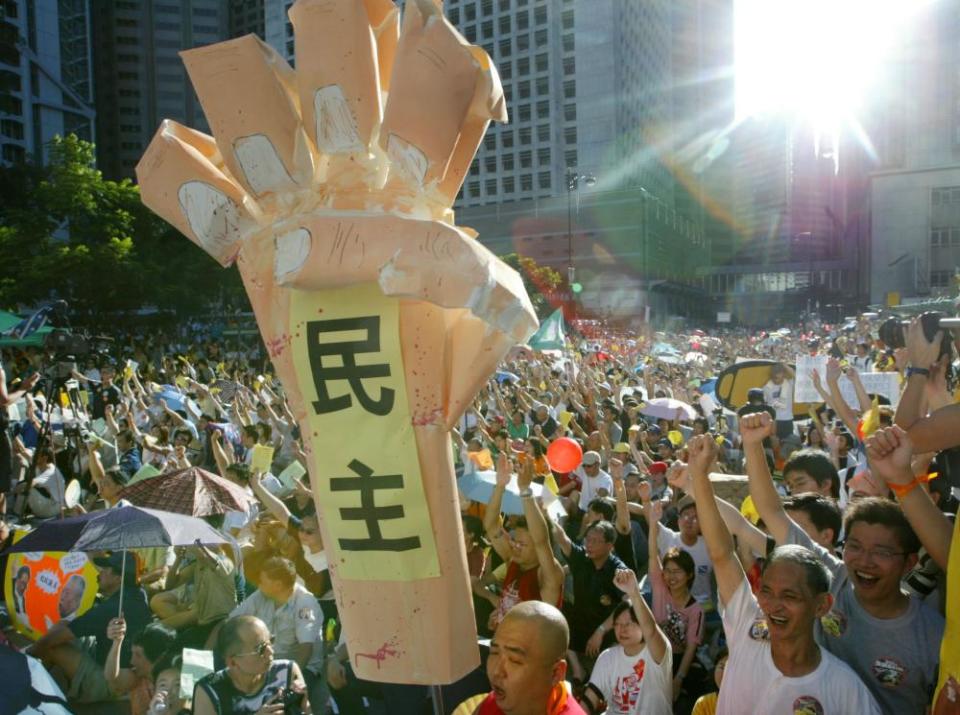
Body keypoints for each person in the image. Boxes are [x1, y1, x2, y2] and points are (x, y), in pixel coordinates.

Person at [741, 412, 942, 713]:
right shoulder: (834, 578)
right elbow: (771, 510)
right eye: (855, 546)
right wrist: (753, 444)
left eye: (882, 552)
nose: (864, 561)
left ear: (909, 562)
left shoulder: (933, 634)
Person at [685, 432, 880, 714]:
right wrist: (699, 476)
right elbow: (722, 555)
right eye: (766, 591)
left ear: (822, 605)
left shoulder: (845, 689)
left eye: (790, 595)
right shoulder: (746, 628)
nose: (772, 605)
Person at [27, 551, 151, 704]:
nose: (100, 572)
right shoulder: (138, 593)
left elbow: (52, 640)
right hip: (116, 664)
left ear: (118, 578)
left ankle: (28, 678)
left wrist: (28, 654)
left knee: (52, 646)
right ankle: (39, 676)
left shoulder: (112, 609)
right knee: (63, 626)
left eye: (106, 569)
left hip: (109, 681)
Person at [483, 454, 564, 627]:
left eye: (523, 544)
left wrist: (525, 491)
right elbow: (491, 526)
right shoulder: (512, 560)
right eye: (515, 540)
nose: (515, 546)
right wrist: (500, 486)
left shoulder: (548, 573)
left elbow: (542, 541)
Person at [645, 496, 706, 709]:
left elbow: (690, 647)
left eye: (677, 572)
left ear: (689, 575)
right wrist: (653, 523)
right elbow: (653, 555)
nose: (671, 577)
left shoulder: (696, 610)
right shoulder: (661, 587)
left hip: (677, 661)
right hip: (652, 653)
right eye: (668, 571)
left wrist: (678, 679)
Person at [583, 570, 672, 714]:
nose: (622, 629)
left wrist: (634, 593)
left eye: (628, 624)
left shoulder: (658, 653)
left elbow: (651, 630)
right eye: (617, 624)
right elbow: (590, 699)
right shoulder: (607, 656)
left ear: (641, 625)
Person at [479, 600, 586, 715]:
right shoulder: (493, 704)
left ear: (555, 673)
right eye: (494, 652)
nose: (496, 671)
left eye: (514, 660)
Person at [193, 615, 311, 715]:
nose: (271, 652)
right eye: (261, 649)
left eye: (271, 641)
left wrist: (305, 707)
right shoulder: (210, 690)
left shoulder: (286, 671)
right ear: (233, 662)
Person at [104, 619, 176, 715]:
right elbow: (111, 677)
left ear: (159, 658)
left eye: (138, 655)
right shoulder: (138, 679)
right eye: (132, 654)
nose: (132, 661)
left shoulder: (175, 687)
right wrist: (117, 642)